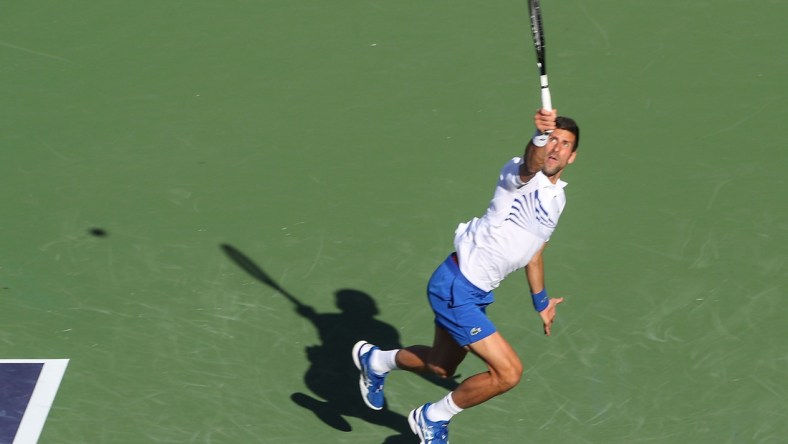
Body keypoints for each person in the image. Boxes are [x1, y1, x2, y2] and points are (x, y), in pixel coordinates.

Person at [352, 108, 581, 443]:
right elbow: (530, 165)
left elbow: (535, 252)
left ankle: (376, 360)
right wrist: (538, 137)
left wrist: (541, 302)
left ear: (572, 157)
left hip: (475, 292)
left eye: (564, 144)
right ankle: (432, 417)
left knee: (441, 367)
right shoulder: (518, 175)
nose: (556, 148)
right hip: (458, 286)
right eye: (553, 140)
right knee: (509, 372)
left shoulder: (557, 198)